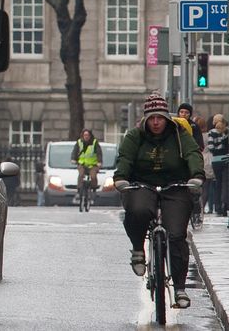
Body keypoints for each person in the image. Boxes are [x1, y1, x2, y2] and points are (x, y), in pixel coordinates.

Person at [114, 93, 204, 310]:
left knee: (176, 234)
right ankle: (138, 249)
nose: (156, 122)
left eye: (160, 118)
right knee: (138, 210)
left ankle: (180, 288)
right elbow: (125, 158)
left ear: (167, 118)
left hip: (175, 185)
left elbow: (193, 153)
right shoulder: (135, 136)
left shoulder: (179, 134)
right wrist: (121, 178)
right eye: (152, 118)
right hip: (142, 184)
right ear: (146, 119)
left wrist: (196, 175)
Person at [208, 113, 229, 216]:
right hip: (226, 160)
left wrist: (218, 146)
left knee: (218, 184)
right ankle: (225, 204)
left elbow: (211, 148)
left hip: (216, 161)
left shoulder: (211, 132)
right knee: (226, 183)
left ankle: (218, 207)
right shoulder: (227, 131)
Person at [71, 128, 103, 194]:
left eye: (87, 135)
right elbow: (75, 151)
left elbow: (99, 152)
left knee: (93, 176)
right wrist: (73, 159)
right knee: (81, 175)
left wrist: (99, 162)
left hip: (92, 165)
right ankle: (79, 191)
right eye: (85, 135)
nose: (86, 136)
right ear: (82, 135)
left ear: (90, 136)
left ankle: (94, 189)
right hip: (82, 164)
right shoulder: (79, 142)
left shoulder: (94, 142)